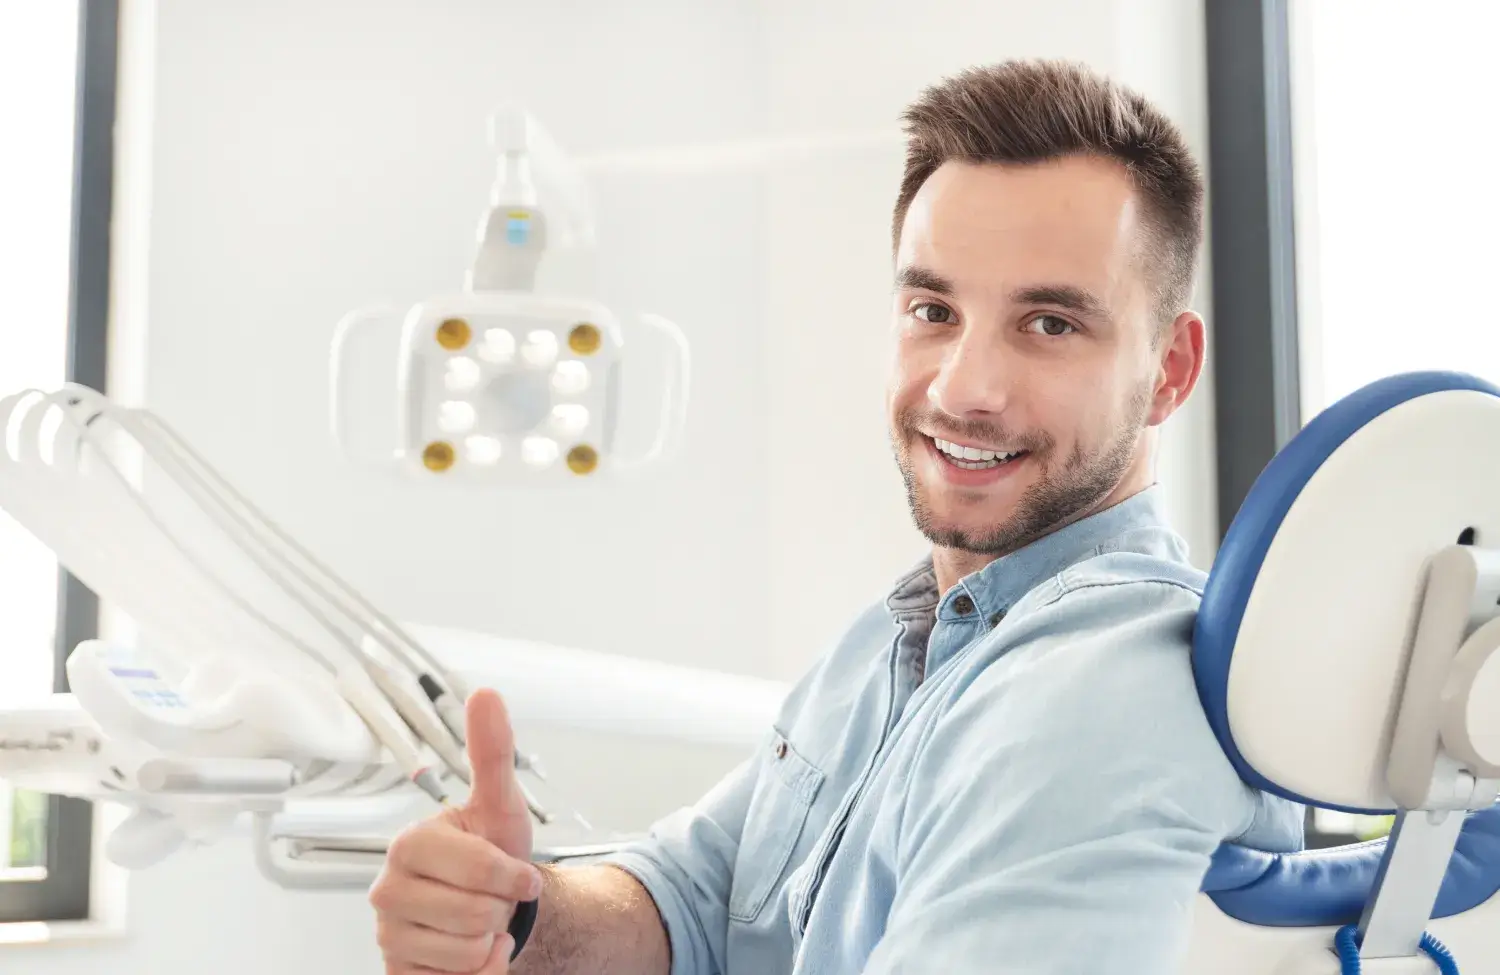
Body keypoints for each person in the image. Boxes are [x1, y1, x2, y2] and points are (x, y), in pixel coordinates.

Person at [369, 58, 1305, 975]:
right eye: (933, 309)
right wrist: (520, 915)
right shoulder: (901, 641)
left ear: (1170, 371)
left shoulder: (1103, 687)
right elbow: (699, 898)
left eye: (1049, 324)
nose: (963, 387)